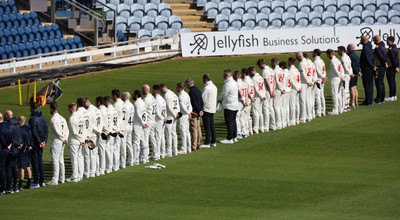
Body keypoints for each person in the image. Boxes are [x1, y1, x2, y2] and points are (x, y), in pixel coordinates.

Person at [47, 103, 69, 185]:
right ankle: (62, 178)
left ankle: (55, 179)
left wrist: (63, 138)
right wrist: (65, 138)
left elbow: (57, 131)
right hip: (62, 141)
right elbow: (66, 130)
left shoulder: (53, 119)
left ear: (52, 109)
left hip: (57, 142)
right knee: (61, 160)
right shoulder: (62, 118)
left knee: (55, 160)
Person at [29, 102, 48, 188]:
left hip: (36, 143)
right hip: (41, 142)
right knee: (40, 161)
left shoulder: (32, 119)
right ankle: (42, 181)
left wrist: (39, 141)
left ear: (32, 108)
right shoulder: (43, 118)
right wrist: (44, 141)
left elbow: (34, 132)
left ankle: (36, 181)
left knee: (35, 162)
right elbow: (46, 130)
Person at [218, 69, 240, 144]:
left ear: (226, 75)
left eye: (223, 74)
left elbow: (224, 94)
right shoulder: (234, 82)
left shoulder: (228, 84)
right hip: (235, 104)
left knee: (229, 122)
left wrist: (218, 99)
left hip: (229, 105)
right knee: (233, 121)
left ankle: (229, 138)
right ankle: (234, 137)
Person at [160, 84, 180, 157]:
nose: (161, 92)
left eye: (161, 90)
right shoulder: (173, 94)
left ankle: (169, 151)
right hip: (174, 115)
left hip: (169, 116)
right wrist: (177, 114)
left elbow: (169, 107)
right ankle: (175, 150)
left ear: (163, 88)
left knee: (168, 134)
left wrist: (174, 115)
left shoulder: (166, 95)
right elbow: (177, 105)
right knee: (173, 133)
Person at [4, 110, 21, 193]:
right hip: (17, 149)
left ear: (7, 116)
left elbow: (10, 138)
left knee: (8, 168)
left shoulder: (9, 125)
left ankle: (9, 187)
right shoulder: (17, 124)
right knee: (14, 167)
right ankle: (15, 186)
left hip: (11, 148)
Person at [84, 98, 102, 176]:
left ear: (87, 103)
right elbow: (101, 121)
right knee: (94, 153)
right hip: (96, 134)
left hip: (91, 135)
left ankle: (91, 172)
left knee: (90, 153)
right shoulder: (97, 110)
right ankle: (96, 171)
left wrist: (96, 131)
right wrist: (99, 131)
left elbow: (90, 124)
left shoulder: (89, 111)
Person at [66, 103, 83, 183]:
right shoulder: (80, 117)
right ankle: (79, 175)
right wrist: (82, 139)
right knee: (79, 158)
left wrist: (80, 140)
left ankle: (75, 176)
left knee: (74, 159)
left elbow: (74, 132)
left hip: (74, 141)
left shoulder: (72, 118)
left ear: (71, 109)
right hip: (80, 141)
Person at [185, 78, 203, 151]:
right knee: (198, 128)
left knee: (194, 129)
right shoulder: (198, 89)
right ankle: (199, 144)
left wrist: (195, 111)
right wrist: (201, 110)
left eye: (186, 84)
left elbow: (194, 102)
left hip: (195, 112)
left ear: (189, 84)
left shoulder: (191, 91)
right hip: (199, 111)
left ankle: (194, 145)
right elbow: (201, 101)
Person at [258, 59, 275, 131]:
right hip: (272, 90)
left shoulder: (264, 71)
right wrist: (273, 90)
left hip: (267, 91)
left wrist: (270, 91)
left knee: (266, 108)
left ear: (261, 64)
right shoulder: (271, 70)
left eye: (259, 65)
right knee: (271, 108)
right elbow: (274, 81)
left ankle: (266, 126)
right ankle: (273, 125)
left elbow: (266, 81)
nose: (259, 67)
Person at [201, 74, 218, 148]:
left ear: (205, 79)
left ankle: (207, 142)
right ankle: (213, 141)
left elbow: (203, 99)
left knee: (207, 126)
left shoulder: (207, 88)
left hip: (207, 108)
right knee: (211, 125)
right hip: (212, 108)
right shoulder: (214, 86)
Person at [132, 90, 148, 164]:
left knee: (136, 143)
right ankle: (144, 158)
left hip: (138, 125)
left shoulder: (136, 103)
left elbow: (138, 114)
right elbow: (145, 113)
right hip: (142, 124)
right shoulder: (142, 102)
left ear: (136, 95)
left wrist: (142, 123)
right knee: (143, 141)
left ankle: (136, 160)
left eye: (133, 94)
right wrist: (145, 123)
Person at [296, 52, 313, 123]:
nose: (296, 58)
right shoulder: (308, 63)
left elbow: (303, 74)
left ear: (299, 56)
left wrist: (307, 81)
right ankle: (309, 116)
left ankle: (303, 117)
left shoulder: (301, 64)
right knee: (308, 100)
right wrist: (310, 80)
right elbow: (311, 72)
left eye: (297, 57)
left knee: (303, 101)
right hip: (309, 82)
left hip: (304, 83)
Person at [142, 84, 157, 163]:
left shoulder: (146, 99)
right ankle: (155, 154)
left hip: (148, 121)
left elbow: (142, 111)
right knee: (152, 138)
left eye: (142, 89)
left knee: (145, 139)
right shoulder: (153, 98)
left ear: (145, 90)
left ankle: (146, 156)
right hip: (153, 120)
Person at [249, 66, 266, 134]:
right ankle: (261, 127)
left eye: (250, 73)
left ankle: (256, 128)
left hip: (256, 97)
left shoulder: (254, 78)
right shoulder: (260, 77)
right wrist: (263, 95)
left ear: (252, 71)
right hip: (262, 96)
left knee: (255, 113)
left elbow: (256, 88)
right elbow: (263, 87)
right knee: (260, 113)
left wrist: (261, 96)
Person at [327, 49, 344, 115]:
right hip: (339, 78)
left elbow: (336, 70)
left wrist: (340, 76)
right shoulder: (337, 60)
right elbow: (341, 69)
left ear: (330, 54)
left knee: (334, 94)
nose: (327, 56)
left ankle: (335, 110)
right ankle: (340, 109)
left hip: (335, 78)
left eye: (327, 54)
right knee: (338, 94)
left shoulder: (333, 61)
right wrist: (342, 76)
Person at [17, 116, 33, 190]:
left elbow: (20, 141)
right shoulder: (28, 129)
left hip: (23, 150)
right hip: (28, 150)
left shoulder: (20, 130)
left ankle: (20, 185)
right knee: (27, 166)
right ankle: (29, 183)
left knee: (21, 168)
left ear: (20, 121)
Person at [359, 36, 375, 106]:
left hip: (366, 68)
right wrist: (373, 66)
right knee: (370, 84)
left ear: (363, 40)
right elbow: (372, 58)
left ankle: (368, 101)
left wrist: (372, 66)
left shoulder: (365, 48)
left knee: (367, 84)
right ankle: (369, 99)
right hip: (370, 68)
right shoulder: (369, 47)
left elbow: (367, 59)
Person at [177, 83, 192, 154]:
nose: (176, 88)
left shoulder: (180, 96)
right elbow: (190, 105)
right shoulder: (186, 94)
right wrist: (189, 112)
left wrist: (188, 113)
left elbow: (182, 106)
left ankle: (184, 148)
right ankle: (189, 148)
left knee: (183, 132)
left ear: (180, 88)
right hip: (187, 115)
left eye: (177, 87)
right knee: (187, 132)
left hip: (183, 115)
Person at [152, 85, 167, 159]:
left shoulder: (156, 99)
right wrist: (165, 117)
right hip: (163, 119)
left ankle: (157, 154)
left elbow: (157, 112)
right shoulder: (162, 99)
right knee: (161, 136)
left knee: (157, 137)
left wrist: (162, 118)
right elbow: (164, 110)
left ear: (155, 91)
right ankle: (162, 152)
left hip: (158, 120)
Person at [233, 70, 249, 138]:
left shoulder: (237, 83)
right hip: (245, 101)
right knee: (242, 118)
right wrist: (246, 101)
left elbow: (239, 93)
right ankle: (244, 132)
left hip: (240, 102)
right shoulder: (244, 83)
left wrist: (243, 101)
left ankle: (238, 133)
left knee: (237, 118)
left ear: (237, 76)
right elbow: (247, 92)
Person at [373, 35, 388, 104]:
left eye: (374, 40)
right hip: (382, 66)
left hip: (379, 67)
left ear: (376, 40)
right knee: (381, 82)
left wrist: (384, 62)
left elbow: (382, 56)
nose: (373, 42)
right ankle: (382, 98)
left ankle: (379, 98)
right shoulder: (382, 46)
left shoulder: (379, 47)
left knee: (378, 82)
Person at [338, 46, 353, 112]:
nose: (338, 52)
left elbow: (346, 67)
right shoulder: (347, 56)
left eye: (338, 50)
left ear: (341, 50)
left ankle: (345, 106)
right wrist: (351, 73)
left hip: (345, 75)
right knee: (347, 90)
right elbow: (350, 66)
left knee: (344, 91)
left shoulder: (343, 58)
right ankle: (347, 106)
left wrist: (350, 73)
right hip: (348, 75)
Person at [104, 96, 118, 173]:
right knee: (113, 149)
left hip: (110, 132)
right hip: (114, 131)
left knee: (108, 150)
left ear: (107, 102)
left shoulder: (108, 110)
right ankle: (115, 166)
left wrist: (108, 131)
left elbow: (108, 122)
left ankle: (109, 167)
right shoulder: (114, 109)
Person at [111, 89, 124, 171]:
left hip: (117, 127)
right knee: (120, 147)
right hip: (123, 126)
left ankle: (115, 165)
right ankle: (121, 163)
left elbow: (114, 118)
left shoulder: (116, 105)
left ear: (115, 96)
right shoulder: (123, 103)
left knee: (115, 147)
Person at [121, 92, 135, 166]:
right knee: (129, 144)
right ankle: (131, 160)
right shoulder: (131, 105)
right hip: (130, 126)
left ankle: (123, 162)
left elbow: (123, 118)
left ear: (124, 97)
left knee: (123, 145)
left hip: (125, 127)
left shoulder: (124, 106)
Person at [347, 44, 362, 108]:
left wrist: (357, 72)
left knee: (351, 88)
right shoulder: (355, 55)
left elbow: (353, 65)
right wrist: (359, 71)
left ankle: (352, 102)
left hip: (352, 73)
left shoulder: (350, 56)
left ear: (349, 48)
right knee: (355, 88)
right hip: (356, 73)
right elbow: (358, 64)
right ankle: (356, 102)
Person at [312, 49, 327, 117]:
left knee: (317, 96)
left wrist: (322, 77)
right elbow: (324, 70)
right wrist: (324, 77)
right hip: (322, 78)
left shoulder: (315, 61)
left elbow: (317, 71)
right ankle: (323, 110)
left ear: (315, 53)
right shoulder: (322, 60)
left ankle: (318, 111)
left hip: (318, 79)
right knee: (321, 95)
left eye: (313, 52)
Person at [0, 113, 12, 195]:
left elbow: (1, 140)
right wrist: (9, 145)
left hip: (2, 150)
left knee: (2, 170)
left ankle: (2, 189)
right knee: (8, 169)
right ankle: (8, 187)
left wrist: (6, 146)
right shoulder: (8, 127)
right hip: (8, 150)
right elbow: (11, 138)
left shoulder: (0, 128)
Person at [95, 96, 107, 175]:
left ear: (99, 102)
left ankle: (101, 169)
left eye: (96, 102)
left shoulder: (100, 111)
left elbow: (101, 122)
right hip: (106, 131)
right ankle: (103, 168)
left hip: (102, 132)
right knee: (103, 151)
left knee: (101, 151)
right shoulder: (106, 109)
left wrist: (100, 131)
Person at [288, 57, 301, 125]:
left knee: (292, 105)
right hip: (298, 87)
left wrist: (296, 88)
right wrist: (299, 88)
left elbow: (292, 81)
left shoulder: (291, 70)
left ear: (290, 62)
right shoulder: (296, 69)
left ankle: (292, 120)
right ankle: (297, 119)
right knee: (296, 104)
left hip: (293, 89)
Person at [272, 58, 284, 129]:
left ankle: (278, 123)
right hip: (281, 88)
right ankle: (282, 122)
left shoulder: (275, 71)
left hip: (277, 89)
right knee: (280, 106)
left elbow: (276, 81)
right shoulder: (281, 70)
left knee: (276, 106)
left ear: (274, 62)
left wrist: (280, 88)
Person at [385, 36, 399, 101]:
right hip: (393, 67)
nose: (386, 42)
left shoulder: (391, 49)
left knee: (391, 81)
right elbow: (397, 59)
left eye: (387, 41)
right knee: (392, 81)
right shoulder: (394, 48)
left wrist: (396, 66)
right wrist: (397, 66)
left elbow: (393, 59)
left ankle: (391, 96)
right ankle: (394, 96)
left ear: (391, 41)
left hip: (391, 67)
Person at [242, 69, 254, 136]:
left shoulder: (245, 81)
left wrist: (250, 98)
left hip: (247, 99)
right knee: (248, 116)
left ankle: (246, 131)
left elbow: (247, 91)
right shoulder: (251, 80)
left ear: (244, 73)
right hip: (251, 98)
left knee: (245, 116)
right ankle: (250, 130)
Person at [278, 62, 291, 128]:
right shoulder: (289, 72)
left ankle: (284, 122)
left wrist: (282, 89)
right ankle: (287, 121)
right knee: (287, 107)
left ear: (282, 67)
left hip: (285, 90)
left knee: (283, 107)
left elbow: (282, 82)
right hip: (289, 89)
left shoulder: (284, 73)